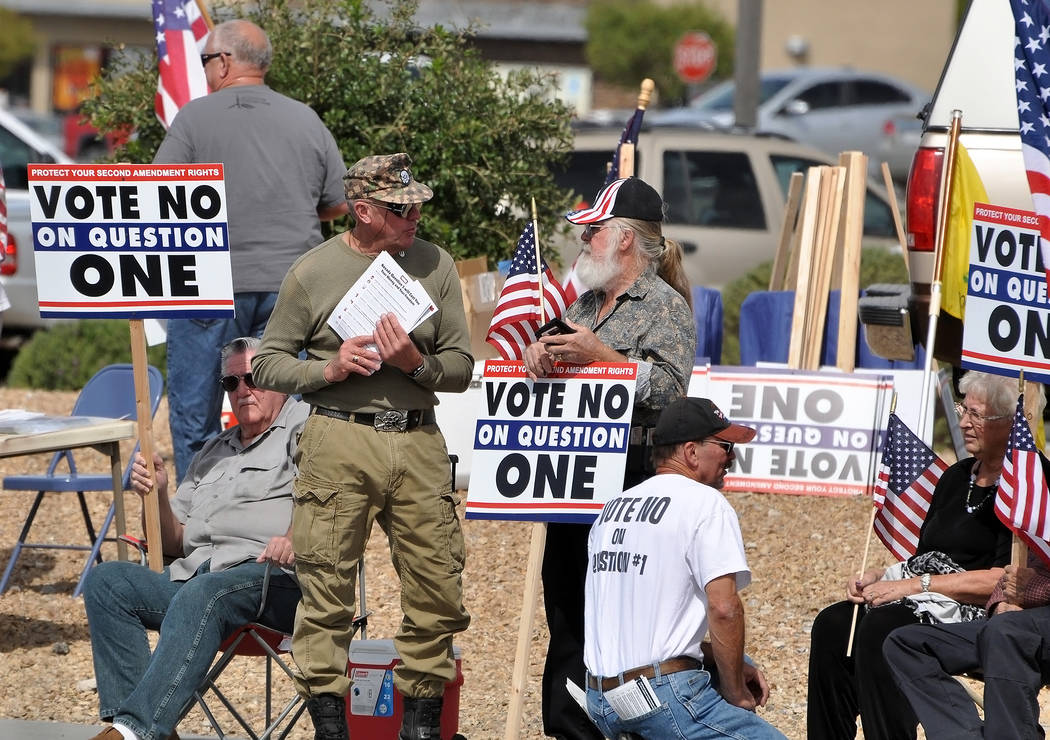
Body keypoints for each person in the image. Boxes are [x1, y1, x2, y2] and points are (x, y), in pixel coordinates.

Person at [251, 152, 472, 740]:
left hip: (418, 438)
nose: (415, 218)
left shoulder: (436, 264)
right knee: (326, 587)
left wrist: (415, 363)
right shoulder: (313, 271)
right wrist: (327, 369)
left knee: (436, 584)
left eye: (417, 207)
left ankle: (421, 726)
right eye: (401, 210)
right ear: (363, 210)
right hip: (338, 436)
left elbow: (461, 366)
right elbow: (267, 364)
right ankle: (331, 727)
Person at [522, 175, 697, 740]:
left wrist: (602, 356)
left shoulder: (664, 306)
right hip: (573, 470)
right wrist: (537, 356)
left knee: (624, 607)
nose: (583, 241)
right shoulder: (585, 304)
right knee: (566, 600)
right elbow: (559, 364)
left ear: (624, 239)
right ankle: (568, 725)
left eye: (592, 231)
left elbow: (671, 392)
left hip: (631, 474)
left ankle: (629, 722)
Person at [83, 336, 309, 740]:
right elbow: (174, 543)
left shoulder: (305, 426)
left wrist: (295, 535)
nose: (243, 390)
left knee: (204, 592)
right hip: (199, 583)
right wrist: (157, 493)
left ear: (278, 376)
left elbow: (331, 492)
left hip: (272, 580)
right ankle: (135, 725)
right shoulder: (212, 451)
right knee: (107, 583)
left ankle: (133, 731)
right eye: (231, 383)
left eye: (253, 378)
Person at [154, 18, 349, 483]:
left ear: (224, 62)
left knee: (195, 412)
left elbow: (159, 192)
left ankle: (199, 512)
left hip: (207, 284)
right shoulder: (306, 118)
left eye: (206, 60)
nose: (205, 70)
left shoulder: (194, 118)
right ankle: (286, 510)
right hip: (293, 286)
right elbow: (338, 202)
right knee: (291, 411)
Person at [807, 370, 1017, 740]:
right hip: (926, 595)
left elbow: (1004, 580)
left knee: (884, 628)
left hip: (975, 608)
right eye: (963, 410)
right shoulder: (956, 477)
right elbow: (925, 556)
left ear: (1009, 422)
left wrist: (914, 586)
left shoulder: (1024, 486)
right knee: (834, 624)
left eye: (976, 415)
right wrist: (881, 577)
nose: (963, 424)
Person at [584, 396, 786, 740]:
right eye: (725, 447)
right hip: (662, 697)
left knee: (728, 661)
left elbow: (636, 628)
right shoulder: (705, 504)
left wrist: (730, 662)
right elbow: (724, 608)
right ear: (691, 452)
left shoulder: (611, 509)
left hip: (600, 699)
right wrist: (735, 691)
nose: (732, 457)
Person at [885, 553, 1050, 739]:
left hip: (1021, 624)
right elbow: (1012, 573)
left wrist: (1037, 589)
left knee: (1004, 632)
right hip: (1013, 622)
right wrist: (999, 604)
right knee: (905, 643)